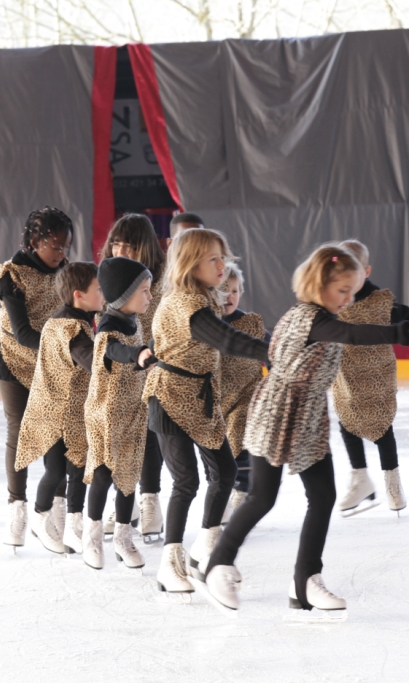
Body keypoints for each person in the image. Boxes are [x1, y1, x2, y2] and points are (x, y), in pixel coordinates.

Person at [203, 244, 409, 615]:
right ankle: (218, 565)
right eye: (342, 290)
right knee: (262, 496)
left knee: (323, 495)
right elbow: (357, 334)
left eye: (352, 291)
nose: (348, 299)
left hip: (308, 415)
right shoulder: (310, 317)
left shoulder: (321, 315)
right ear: (319, 283)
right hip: (279, 412)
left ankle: (305, 580)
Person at [142, 228, 270, 594]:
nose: (222, 266)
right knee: (186, 482)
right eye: (213, 259)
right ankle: (169, 564)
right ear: (190, 263)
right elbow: (226, 339)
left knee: (225, 471)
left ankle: (205, 548)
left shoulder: (203, 297)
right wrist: (274, 352)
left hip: (200, 398)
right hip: (169, 396)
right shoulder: (185, 302)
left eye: (223, 258)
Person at [0, 207, 73, 549]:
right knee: (20, 430)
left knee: (60, 432)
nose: (62, 253)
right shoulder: (12, 275)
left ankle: (57, 507)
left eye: (66, 246)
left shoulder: (67, 272)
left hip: (51, 363)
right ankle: (17, 506)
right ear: (35, 241)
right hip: (14, 358)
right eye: (56, 246)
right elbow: (23, 332)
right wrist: (67, 347)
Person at [13, 262, 102, 555]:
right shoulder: (70, 328)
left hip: (69, 411)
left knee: (77, 468)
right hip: (55, 413)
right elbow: (90, 361)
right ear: (79, 295)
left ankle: (75, 525)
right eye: (99, 289)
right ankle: (40, 516)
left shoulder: (67, 319)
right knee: (56, 471)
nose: (103, 294)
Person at [82, 257, 157, 570]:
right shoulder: (108, 328)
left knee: (128, 476)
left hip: (132, 412)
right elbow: (115, 351)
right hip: (105, 414)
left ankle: (123, 538)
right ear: (124, 295)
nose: (150, 296)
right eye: (144, 290)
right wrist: (138, 354)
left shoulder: (133, 320)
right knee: (103, 473)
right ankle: (92, 536)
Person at [332, 239, 409, 516]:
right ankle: (360, 478)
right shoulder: (334, 296)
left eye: (352, 270)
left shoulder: (380, 300)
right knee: (346, 421)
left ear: (366, 272)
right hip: (347, 374)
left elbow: (407, 317)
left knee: (382, 425)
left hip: (377, 372)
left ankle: (393, 482)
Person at [99, 214, 168, 539]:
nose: (122, 251)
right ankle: (125, 499)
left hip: (155, 368)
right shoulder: (110, 278)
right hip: (120, 374)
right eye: (117, 244)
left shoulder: (160, 282)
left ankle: (150, 500)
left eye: (130, 246)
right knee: (120, 438)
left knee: (150, 433)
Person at [216, 263, 269, 522]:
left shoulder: (250, 323)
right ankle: (224, 492)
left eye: (235, 291)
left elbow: (271, 348)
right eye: (223, 290)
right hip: (217, 398)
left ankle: (241, 491)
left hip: (247, 394)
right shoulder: (206, 323)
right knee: (221, 449)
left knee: (241, 441)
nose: (229, 296)